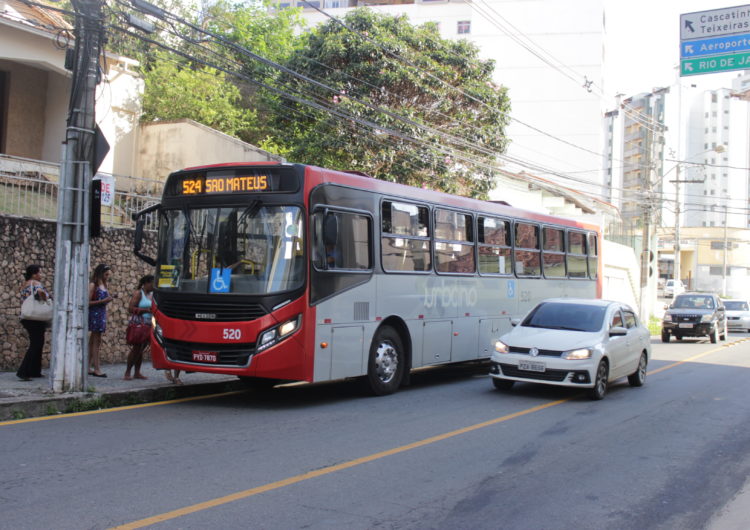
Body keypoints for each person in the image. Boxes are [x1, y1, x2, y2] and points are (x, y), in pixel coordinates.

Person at [17, 264, 51, 381]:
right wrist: (46, 297)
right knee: (36, 343)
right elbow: (41, 293)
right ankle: (24, 371)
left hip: (27, 317)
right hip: (35, 318)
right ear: (34, 274)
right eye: (39, 273)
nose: (40, 275)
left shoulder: (25, 284)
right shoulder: (36, 284)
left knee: (38, 342)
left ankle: (35, 370)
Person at [124, 274, 154, 380]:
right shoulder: (138, 293)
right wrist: (145, 310)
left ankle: (137, 372)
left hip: (148, 323)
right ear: (146, 283)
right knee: (136, 348)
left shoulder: (152, 294)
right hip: (139, 323)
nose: (153, 286)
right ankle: (127, 372)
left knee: (141, 349)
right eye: (151, 283)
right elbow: (130, 308)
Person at [88, 264, 115, 378]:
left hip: (101, 314)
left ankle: (88, 366)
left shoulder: (104, 285)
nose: (107, 276)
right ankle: (97, 368)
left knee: (94, 341)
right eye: (106, 274)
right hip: (95, 314)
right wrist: (103, 300)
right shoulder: (93, 285)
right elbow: (87, 302)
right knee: (96, 342)